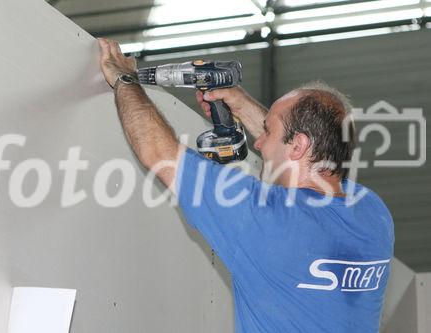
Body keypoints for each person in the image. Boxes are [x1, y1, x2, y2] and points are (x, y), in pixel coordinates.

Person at [97, 38, 394, 333]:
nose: (259, 142)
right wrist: (239, 103)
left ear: (298, 145)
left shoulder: (263, 217)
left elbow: (158, 153)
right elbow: (305, 148)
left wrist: (124, 79)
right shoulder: (373, 215)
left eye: (267, 131)